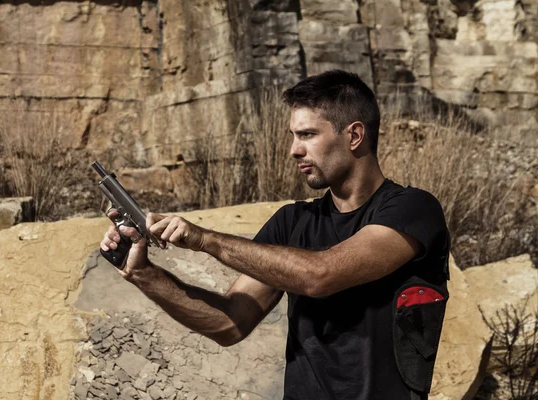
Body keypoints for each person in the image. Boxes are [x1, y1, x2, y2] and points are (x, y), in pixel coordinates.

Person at [100, 69, 450, 400]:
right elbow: (229, 323)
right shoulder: (292, 222)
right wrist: (143, 273)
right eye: (293, 137)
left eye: (308, 135)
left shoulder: (412, 210)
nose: (294, 150)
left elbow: (321, 275)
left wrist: (204, 239)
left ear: (354, 135)